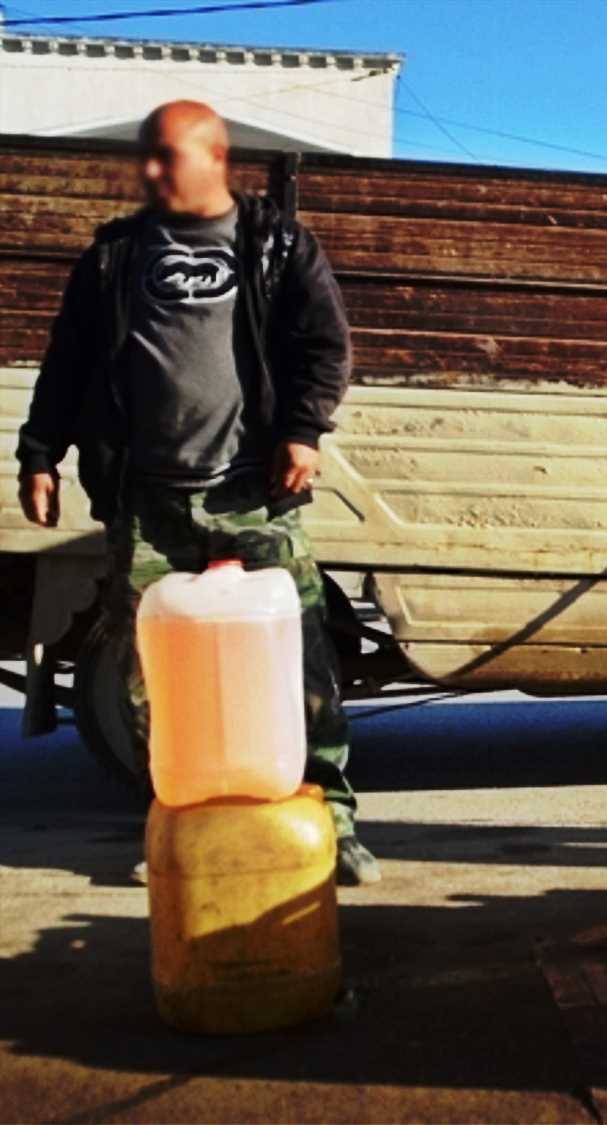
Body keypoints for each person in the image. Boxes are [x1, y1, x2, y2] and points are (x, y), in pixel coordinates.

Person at [13, 101, 376, 884]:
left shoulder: (276, 242)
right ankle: (180, 827)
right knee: (156, 677)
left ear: (216, 158)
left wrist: (305, 431)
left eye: (167, 158)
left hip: (253, 491)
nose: (149, 173)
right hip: (147, 498)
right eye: (147, 158)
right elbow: (67, 363)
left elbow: (326, 345)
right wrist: (39, 452)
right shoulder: (113, 256)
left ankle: (333, 819)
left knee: (301, 660)